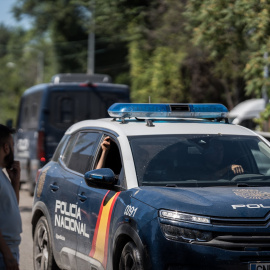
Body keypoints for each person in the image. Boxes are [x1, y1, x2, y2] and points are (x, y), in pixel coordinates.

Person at [0, 124, 22, 270]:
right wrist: (7, 255)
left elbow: (11, 207)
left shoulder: (2, 175)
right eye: (13, 146)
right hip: (3, 254)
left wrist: (15, 182)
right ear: (6, 148)